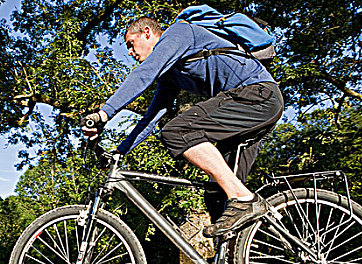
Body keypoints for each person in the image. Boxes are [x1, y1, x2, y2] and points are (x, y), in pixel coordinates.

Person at [81, 16, 283, 238]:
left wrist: (104, 113)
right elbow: (151, 118)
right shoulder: (170, 77)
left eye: (131, 44)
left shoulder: (179, 33)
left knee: (177, 131)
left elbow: (144, 74)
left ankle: (245, 199)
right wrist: (120, 152)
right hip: (250, 111)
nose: (130, 52)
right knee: (218, 196)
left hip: (257, 95)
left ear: (147, 33)